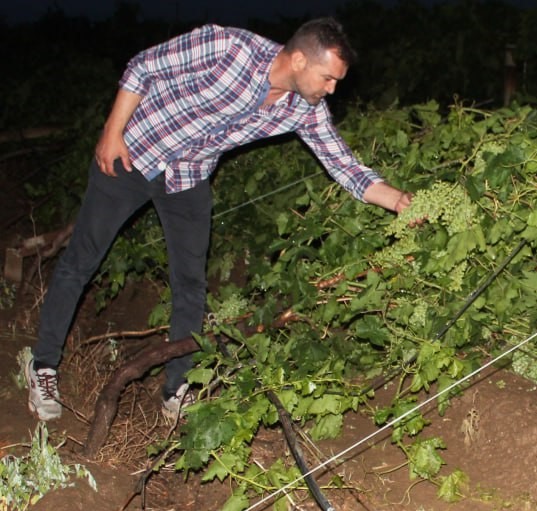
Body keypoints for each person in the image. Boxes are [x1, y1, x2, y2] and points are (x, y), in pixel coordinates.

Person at [25, 17, 412, 422]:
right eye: (328, 78)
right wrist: (111, 131)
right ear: (299, 60)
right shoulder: (227, 47)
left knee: (191, 283)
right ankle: (44, 366)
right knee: (81, 261)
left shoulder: (304, 109)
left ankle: (177, 390)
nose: (332, 89)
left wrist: (399, 200)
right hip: (132, 154)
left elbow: (344, 167)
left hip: (188, 176)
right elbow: (143, 66)